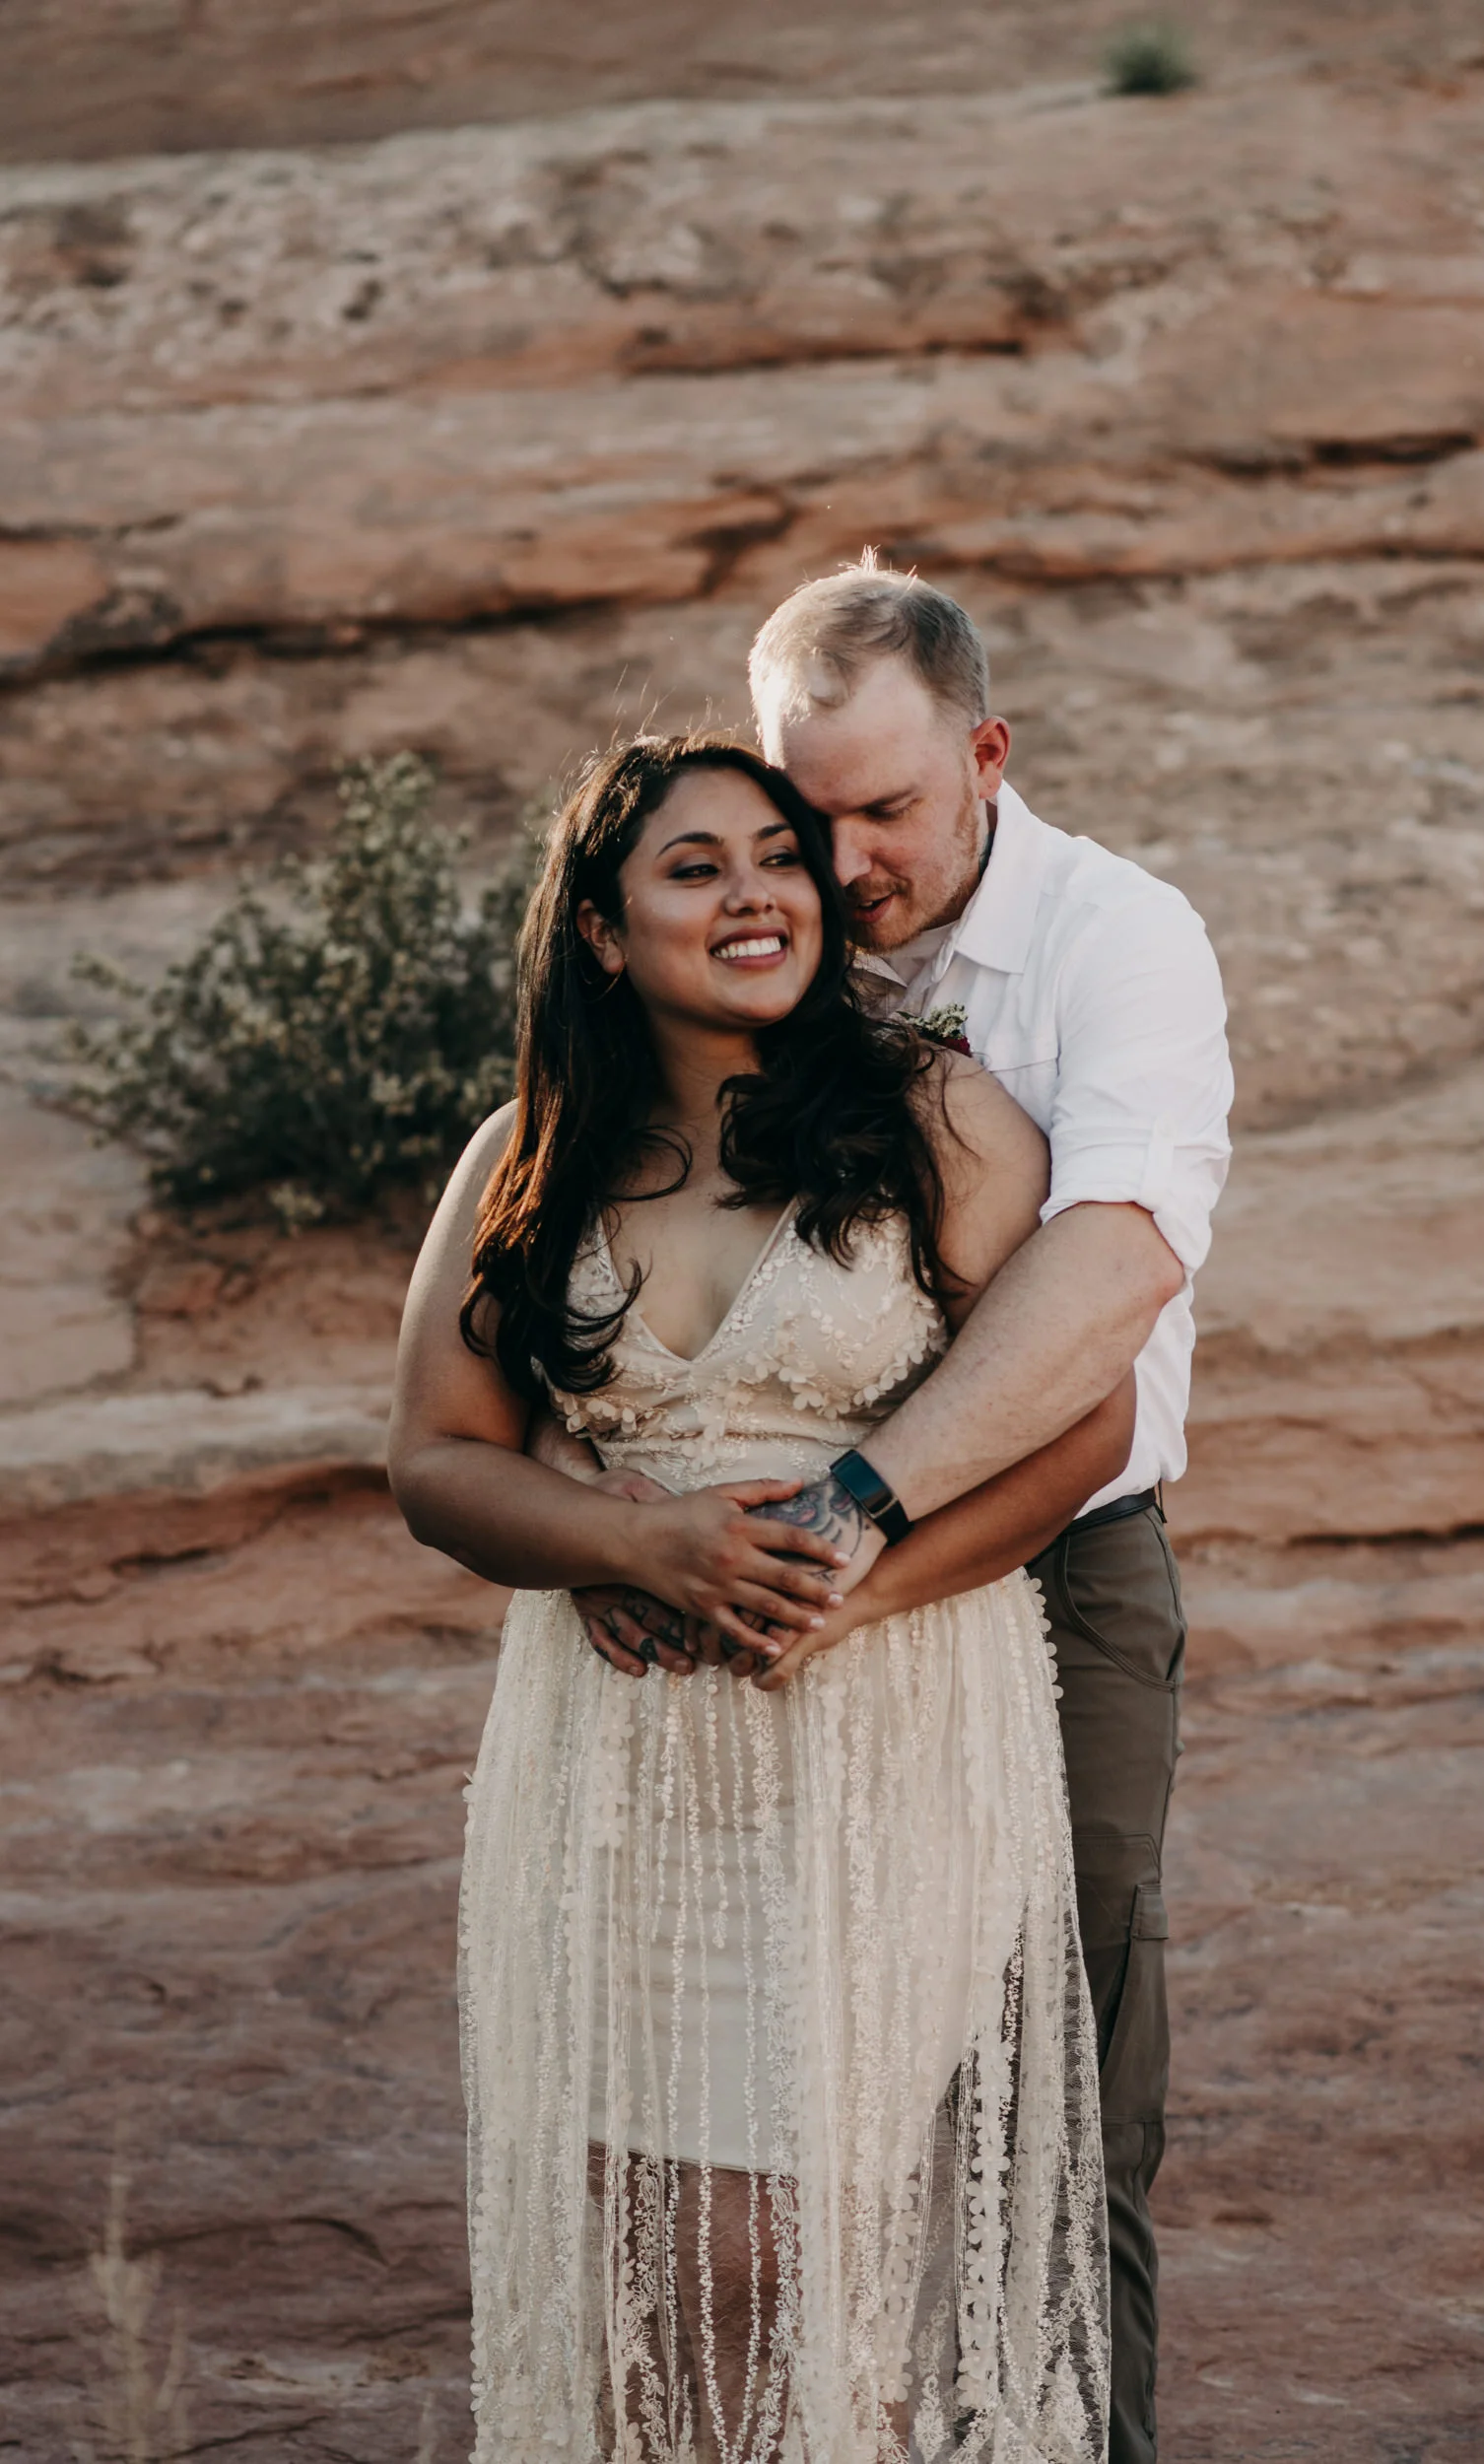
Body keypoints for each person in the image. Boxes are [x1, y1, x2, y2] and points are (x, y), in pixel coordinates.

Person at [388, 734, 1135, 2462]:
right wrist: (627, 1543)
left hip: (883, 1732)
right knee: (642, 2275)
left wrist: (856, 1596)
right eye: (695, 866)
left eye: (777, 859)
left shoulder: (928, 1113)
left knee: (779, 2256)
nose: (756, 895)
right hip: (623, 1774)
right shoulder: (528, 1151)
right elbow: (438, 1456)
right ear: (598, 927)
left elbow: (1079, 1413)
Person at [582, 565, 1233, 2464]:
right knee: (783, 2093)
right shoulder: (757, 940)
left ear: (986, 756)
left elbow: (1112, 1263)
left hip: (1054, 1567)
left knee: (1053, 2094)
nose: (840, 862)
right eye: (806, 816)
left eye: (885, 810)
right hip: (744, 1594)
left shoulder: (1119, 941)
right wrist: (610, 1511)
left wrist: (859, 1510)